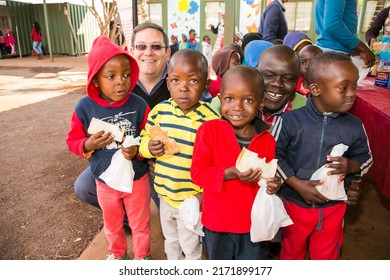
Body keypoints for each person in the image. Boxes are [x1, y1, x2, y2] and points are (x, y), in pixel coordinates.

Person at [274, 52, 373, 260]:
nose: (351, 94)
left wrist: (352, 166)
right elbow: (274, 157)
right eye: (343, 87)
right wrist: (296, 184)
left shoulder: (354, 126)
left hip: (333, 207)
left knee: (326, 254)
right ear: (316, 89)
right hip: (295, 203)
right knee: (292, 251)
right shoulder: (290, 121)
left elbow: (366, 158)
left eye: (354, 86)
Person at [66, 35, 151, 260]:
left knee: (140, 224)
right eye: (111, 76)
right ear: (95, 80)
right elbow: (72, 141)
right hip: (105, 182)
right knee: (112, 224)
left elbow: (150, 138)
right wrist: (88, 144)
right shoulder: (84, 107)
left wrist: (139, 150)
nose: (121, 82)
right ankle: (117, 254)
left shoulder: (139, 105)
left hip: (137, 179)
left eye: (126, 75)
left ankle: (143, 257)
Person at [73, 22, 172, 212]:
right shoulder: (114, 88)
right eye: (141, 46)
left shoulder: (179, 85)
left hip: (164, 167)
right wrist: (88, 144)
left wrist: (163, 162)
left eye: (156, 47)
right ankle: (125, 216)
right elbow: (77, 136)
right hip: (120, 162)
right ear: (132, 51)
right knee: (84, 186)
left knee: (173, 221)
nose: (148, 52)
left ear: (167, 53)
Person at [191, 65, 281, 260]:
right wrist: (230, 173)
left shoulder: (266, 139)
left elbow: (268, 178)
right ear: (220, 99)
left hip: (252, 226)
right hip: (217, 223)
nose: (237, 107)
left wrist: (273, 185)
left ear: (261, 103)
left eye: (248, 100)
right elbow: (198, 173)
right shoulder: (209, 131)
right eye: (229, 99)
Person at [139, 49, 220, 260]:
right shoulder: (159, 112)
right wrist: (149, 148)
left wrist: (204, 193)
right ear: (168, 84)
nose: (183, 88)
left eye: (193, 81)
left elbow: (217, 160)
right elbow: (143, 140)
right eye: (176, 80)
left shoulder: (212, 119)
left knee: (191, 243)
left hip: (192, 197)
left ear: (206, 85)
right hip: (164, 193)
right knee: (171, 240)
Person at [315, 0, 375, 68]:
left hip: (330, 50)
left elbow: (318, 28)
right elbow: (332, 25)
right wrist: (363, 48)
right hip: (334, 54)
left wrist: (354, 47)